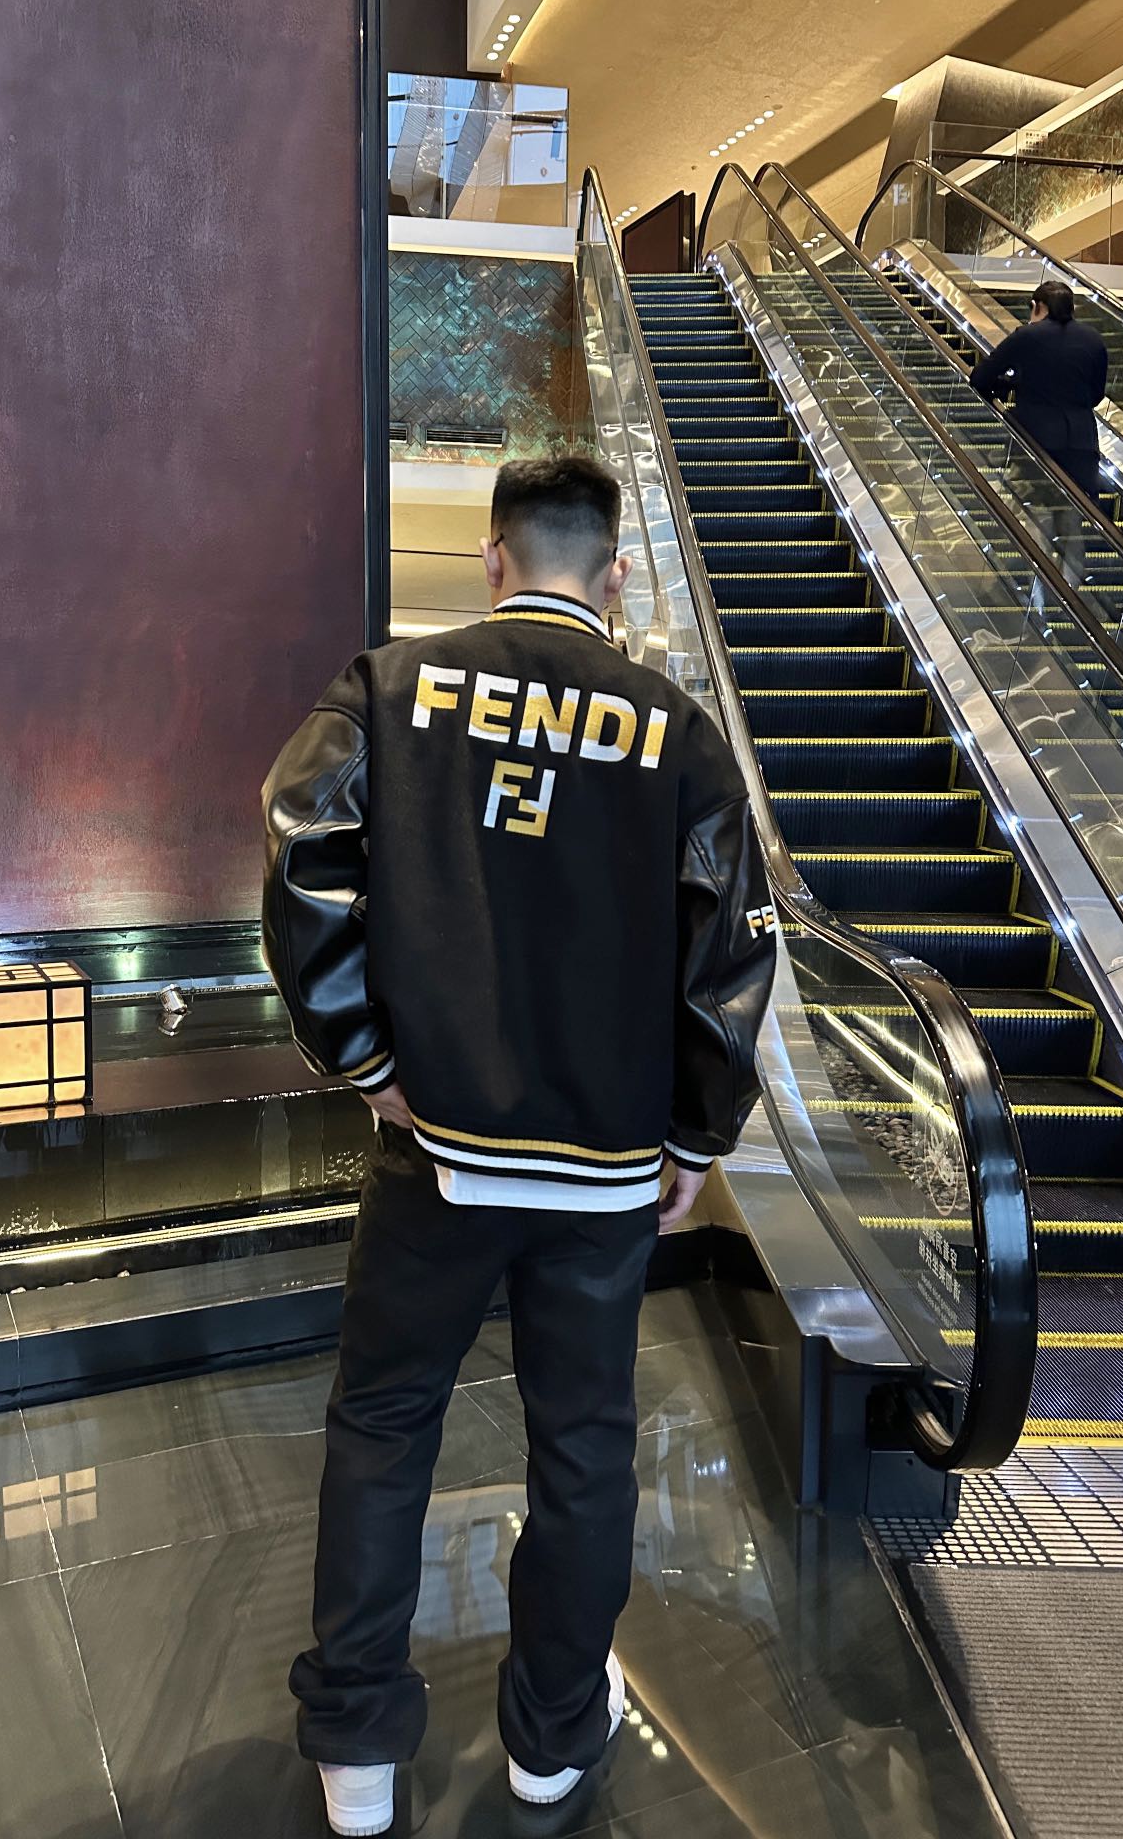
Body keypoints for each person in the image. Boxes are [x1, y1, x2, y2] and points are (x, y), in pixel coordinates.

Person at [261, 453, 777, 1838]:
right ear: (615, 571)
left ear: (493, 558)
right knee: (585, 1448)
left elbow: (304, 854)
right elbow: (731, 952)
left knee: (385, 1425)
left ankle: (357, 1753)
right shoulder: (677, 731)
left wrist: (362, 1057)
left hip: (437, 1149)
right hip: (603, 1171)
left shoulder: (390, 687)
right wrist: (695, 1134)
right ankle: (551, 1742)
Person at [969, 278, 1109, 590]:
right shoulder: (1093, 340)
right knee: (1073, 519)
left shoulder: (1028, 336)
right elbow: (1096, 394)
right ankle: (1072, 594)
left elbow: (980, 377)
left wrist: (1012, 386)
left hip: (1036, 443)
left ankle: (1040, 592)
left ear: (1037, 306)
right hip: (1081, 445)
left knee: (1036, 516)